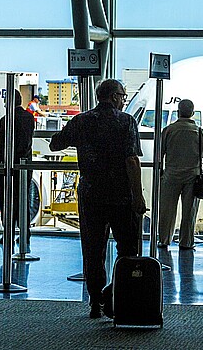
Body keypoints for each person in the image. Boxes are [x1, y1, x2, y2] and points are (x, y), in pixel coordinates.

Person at [49, 79, 147, 319]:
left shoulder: (81, 121)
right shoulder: (126, 121)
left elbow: (54, 145)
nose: (124, 100)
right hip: (121, 196)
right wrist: (138, 196)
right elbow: (132, 161)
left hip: (91, 193)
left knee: (93, 250)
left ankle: (95, 302)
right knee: (128, 249)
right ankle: (115, 296)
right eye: (123, 96)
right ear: (115, 97)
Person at [158, 99, 203, 250]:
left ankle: (164, 239)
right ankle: (186, 242)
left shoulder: (168, 130)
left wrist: (161, 172)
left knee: (167, 210)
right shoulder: (199, 131)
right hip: (193, 176)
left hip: (171, 175)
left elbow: (160, 154)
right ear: (192, 113)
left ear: (178, 111)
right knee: (189, 212)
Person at [0, 90, 35, 246]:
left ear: (9, 101)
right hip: (24, 165)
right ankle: (25, 235)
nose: (4, 103)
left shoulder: (6, 119)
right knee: (23, 200)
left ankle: (8, 234)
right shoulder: (29, 118)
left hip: (7, 166)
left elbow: (2, 145)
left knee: (7, 201)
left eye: (5, 100)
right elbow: (22, 139)